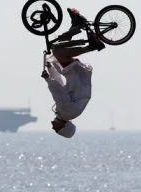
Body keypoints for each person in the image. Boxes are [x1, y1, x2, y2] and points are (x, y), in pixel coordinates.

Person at [41, 8, 105, 138]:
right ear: (63, 127)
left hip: (76, 77)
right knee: (58, 52)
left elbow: (60, 84)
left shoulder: (66, 113)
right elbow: (58, 92)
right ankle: (92, 46)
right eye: (56, 129)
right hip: (76, 75)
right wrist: (47, 79)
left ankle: (76, 25)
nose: (52, 126)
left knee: (59, 46)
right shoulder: (66, 113)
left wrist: (50, 69)